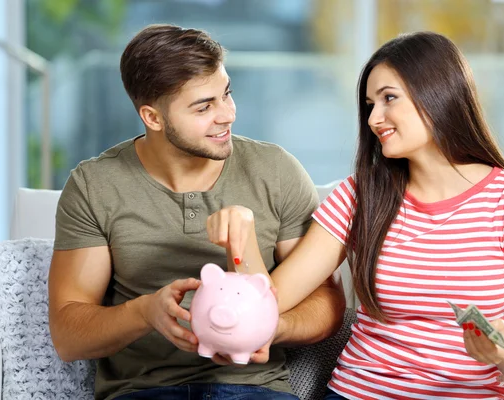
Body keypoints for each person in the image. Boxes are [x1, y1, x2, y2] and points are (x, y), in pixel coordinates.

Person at [221, 31, 504, 399]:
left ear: (438, 94)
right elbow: (271, 299)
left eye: (388, 99)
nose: (373, 119)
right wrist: (240, 240)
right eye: (369, 104)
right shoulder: (360, 196)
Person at [47, 24, 345, 400]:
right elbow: (68, 336)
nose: (227, 115)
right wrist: (144, 313)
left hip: (253, 389)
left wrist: (272, 327)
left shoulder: (276, 170)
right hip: (143, 391)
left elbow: (327, 301)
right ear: (153, 118)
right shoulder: (95, 185)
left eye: (226, 94)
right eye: (204, 107)